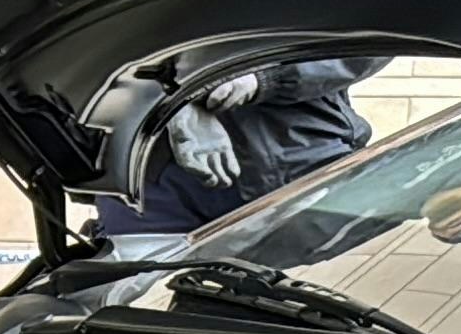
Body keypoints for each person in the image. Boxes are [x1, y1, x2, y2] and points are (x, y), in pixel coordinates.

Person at [92, 57, 394, 243]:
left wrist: (269, 75)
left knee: (295, 308)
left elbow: (374, 28)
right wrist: (168, 102)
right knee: (128, 309)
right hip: (146, 180)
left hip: (294, 170)